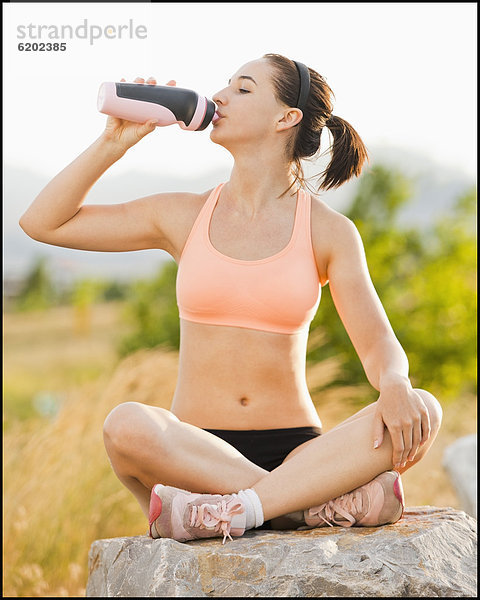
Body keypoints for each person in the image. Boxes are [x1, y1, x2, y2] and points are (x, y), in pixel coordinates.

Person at [20, 53, 443, 545]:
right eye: (225, 85)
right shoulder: (182, 215)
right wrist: (113, 143)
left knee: (424, 407)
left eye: (242, 89)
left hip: (299, 453)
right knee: (126, 425)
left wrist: (394, 381)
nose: (219, 96)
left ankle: (237, 509)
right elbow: (42, 223)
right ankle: (301, 507)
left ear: (287, 118)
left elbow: (377, 344)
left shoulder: (329, 232)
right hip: (193, 453)